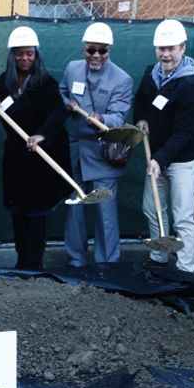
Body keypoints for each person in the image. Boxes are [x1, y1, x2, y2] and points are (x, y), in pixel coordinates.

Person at [0, 26, 71, 271]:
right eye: (19, 54)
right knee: (18, 211)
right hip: (16, 156)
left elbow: (58, 112)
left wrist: (41, 135)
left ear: (36, 55)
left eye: (29, 54)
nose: (24, 59)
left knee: (36, 213)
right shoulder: (6, 80)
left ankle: (33, 264)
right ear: (12, 55)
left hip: (41, 156)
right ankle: (21, 261)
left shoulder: (46, 83)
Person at [134, 19, 194, 274]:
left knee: (183, 214)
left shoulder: (191, 85)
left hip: (184, 159)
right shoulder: (151, 74)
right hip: (157, 154)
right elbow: (141, 100)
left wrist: (160, 159)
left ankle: (185, 270)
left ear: (183, 48)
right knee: (152, 207)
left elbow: (184, 132)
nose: (165, 54)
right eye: (161, 48)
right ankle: (159, 258)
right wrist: (140, 118)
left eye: (171, 48)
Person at [59, 23, 133, 267]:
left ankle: (107, 263)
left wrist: (102, 119)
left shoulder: (122, 79)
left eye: (103, 51)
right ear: (84, 49)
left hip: (103, 152)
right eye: (92, 50)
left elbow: (119, 116)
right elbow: (61, 92)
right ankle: (76, 258)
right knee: (76, 206)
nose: (97, 56)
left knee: (105, 210)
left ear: (109, 51)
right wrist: (67, 103)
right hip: (77, 149)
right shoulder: (72, 69)